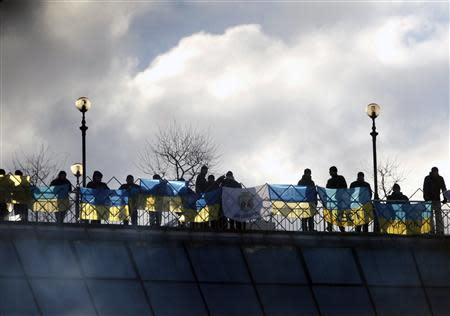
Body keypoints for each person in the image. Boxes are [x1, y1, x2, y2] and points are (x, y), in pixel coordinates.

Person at [423, 167, 447, 234]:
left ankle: (440, 231)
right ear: (432, 172)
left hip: (437, 199)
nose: (435, 173)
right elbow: (425, 189)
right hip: (429, 200)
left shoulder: (440, 178)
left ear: (437, 172)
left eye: (436, 172)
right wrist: (426, 198)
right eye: (434, 172)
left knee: (438, 215)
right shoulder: (427, 178)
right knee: (429, 216)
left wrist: (445, 198)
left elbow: (444, 188)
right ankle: (431, 230)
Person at [326, 166, 347, 232]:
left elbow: (344, 187)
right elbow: (327, 190)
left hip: (338, 200)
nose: (329, 173)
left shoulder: (340, 178)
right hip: (334, 200)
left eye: (330, 171)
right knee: (332, 214)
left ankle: (340, 229)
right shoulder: (331, 180)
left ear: (334, 171)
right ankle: (331, 228)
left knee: (338, 215)